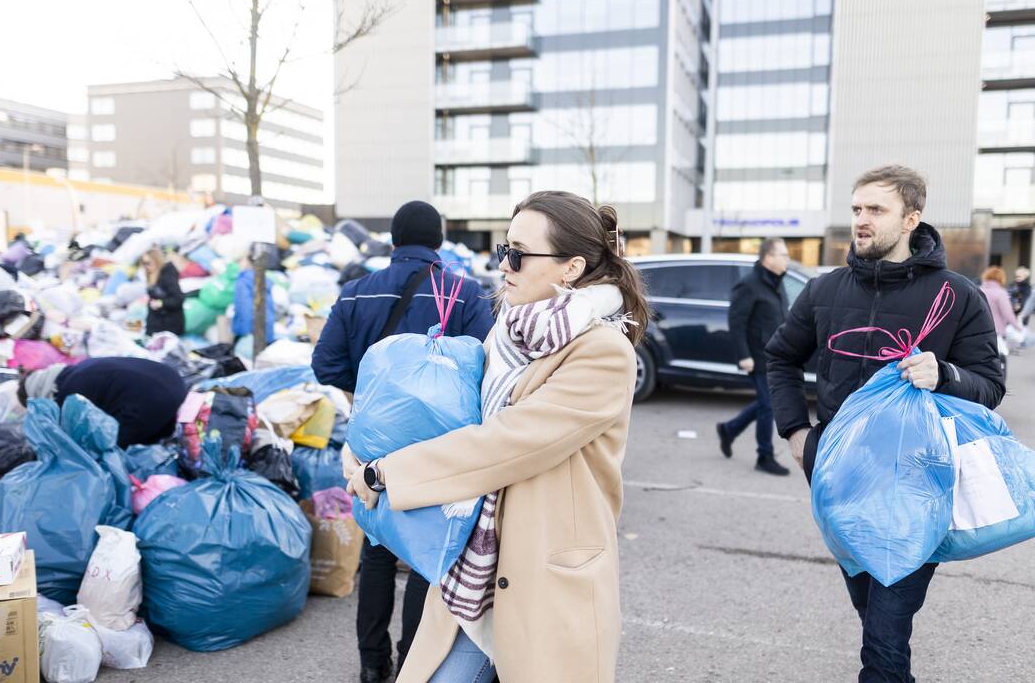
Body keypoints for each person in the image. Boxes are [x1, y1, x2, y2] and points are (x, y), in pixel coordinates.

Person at [342, 191, 649, 683]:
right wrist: (364, 446)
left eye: (519, 254)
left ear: (571, 267)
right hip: (474, 569)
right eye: (504, 250)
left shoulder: (604, 352)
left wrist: (387, 474)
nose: (504, 264)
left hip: (542, 577)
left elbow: (508, 442)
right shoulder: (507, 333)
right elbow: (455, 420)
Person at [766, 165, 1004, 683]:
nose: (861, 220)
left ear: (912, 218)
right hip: (838, 481)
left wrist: (944, 373)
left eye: (876, 210)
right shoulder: (825, 289)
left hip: (917, 484)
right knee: (871, 612)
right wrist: (796, 434)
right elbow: (780, 359)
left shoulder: (957, 294)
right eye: (856, 209)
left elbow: (990, 386)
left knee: (884, 639)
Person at [312, 200, 494, 683]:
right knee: (424, 554)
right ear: (438, 241)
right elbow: (486, 367)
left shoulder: (356, 292)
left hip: (371, 444)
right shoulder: (464, 292)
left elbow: (325, 365)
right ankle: (414, 662)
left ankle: (372, 665)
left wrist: (370, 395)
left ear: (393, 240)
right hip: (439, 450)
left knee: (376, 549)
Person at [716, 237, 791, 475]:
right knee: (769, 406)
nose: (787, 259)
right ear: (769, 258)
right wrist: (743, 355)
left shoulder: (777, 283)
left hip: (775, 354)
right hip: (757, 355)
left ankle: (729, 429)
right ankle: (764, 456)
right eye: (783, 255)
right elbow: (736, 322)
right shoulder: (749, 284)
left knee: (764, 403)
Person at [17, 357, 188, 449]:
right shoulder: (79, 368)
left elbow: (76, 437)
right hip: (175, 382)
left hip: (155, 399)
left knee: (109, 447)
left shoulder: (68, 394)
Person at [982, 266, 1021, 379]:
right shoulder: (1000, 293)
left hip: (980, 330)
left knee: (984, 358)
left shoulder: (980, 289)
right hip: (997, 331)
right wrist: (1018, 327)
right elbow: (1007, 313)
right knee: (1001, 357)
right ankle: (1000, 384)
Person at [142, 248, 185, 337]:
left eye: (148, 263)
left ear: (156, 261)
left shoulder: (167, 276)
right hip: (157, 321)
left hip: (169, 325)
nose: (146, 267)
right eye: (144, 263)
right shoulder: (153, 275)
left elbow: (178, 298)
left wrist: (161, 303)